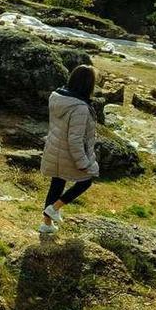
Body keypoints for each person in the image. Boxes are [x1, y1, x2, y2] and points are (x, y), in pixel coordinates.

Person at [39, 64, 100, 234]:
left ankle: (46, 224)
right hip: (67, 153)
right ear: (88, 85)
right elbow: (75, 140)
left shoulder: (58, 97)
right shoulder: (79, 107)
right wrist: (83, 163)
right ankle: (54, 208)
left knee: (57, 183)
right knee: (86, 180)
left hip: (54, 148)